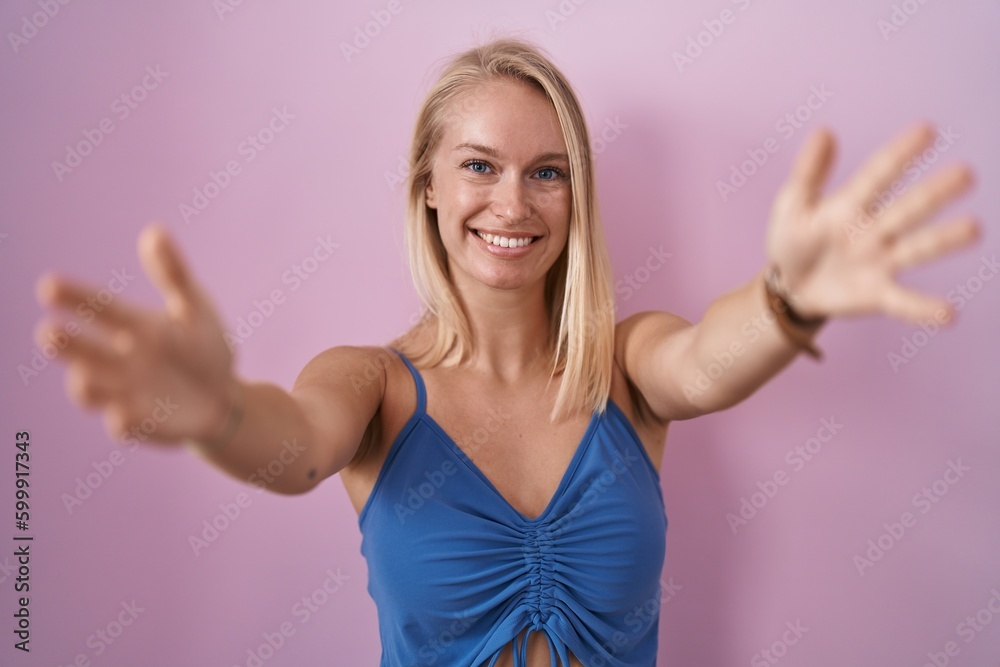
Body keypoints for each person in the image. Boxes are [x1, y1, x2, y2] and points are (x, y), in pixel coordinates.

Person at [33, 37, 978, 667]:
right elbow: (295, 446)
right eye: (479, 165)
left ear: (575, 195)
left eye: (546, 172)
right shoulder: (369, 383)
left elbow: (705, 362)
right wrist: (218, 414)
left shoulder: (626, 366)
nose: (513, 203)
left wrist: (788, 300)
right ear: (429, 186)